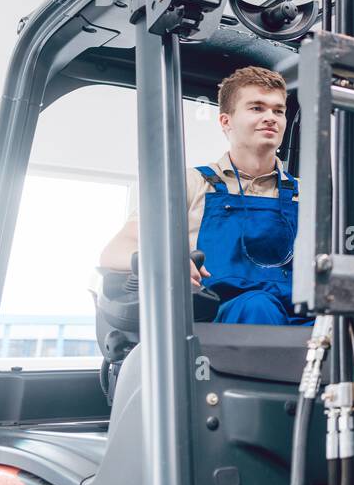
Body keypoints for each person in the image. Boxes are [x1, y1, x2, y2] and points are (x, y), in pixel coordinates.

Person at [100, 65, 306, 325]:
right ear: (226, 121)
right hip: (218, 324)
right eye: (257, 108)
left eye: (278, 111)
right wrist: (166, 264)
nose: (271, 117)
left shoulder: (308, 193)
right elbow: (115, 251)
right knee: (257, 306)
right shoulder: (188, 183)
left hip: (296, 320)